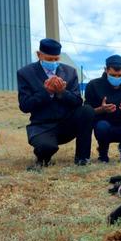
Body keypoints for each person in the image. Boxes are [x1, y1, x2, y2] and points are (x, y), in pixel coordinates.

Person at [17, 38, 94, 168]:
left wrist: (62, 92)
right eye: (49, 59)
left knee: (87, 110)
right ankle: (43, 157)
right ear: (39, 54)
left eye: (56, 59)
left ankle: (82, 158)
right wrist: (46, 92)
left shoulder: (70, 72)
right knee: (46, 148)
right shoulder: (25, 73)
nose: (53, 62)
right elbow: (25, 105)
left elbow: (77, 102)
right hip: (42, 126)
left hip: (66, 124)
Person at [84, 54, 121, 162]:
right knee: (102, 127)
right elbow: (86, 111)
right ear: (106, 70)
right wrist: (101, 109)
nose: (117, 78)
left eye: (120, 75)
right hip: (104, 125)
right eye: (113, 75)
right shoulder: (93, 85)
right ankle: (103, 150)